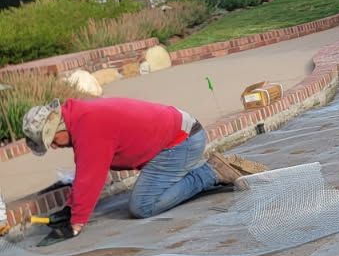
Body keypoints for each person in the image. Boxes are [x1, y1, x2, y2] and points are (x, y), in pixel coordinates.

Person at [21, 98, 262, 239]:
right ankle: (199, 171)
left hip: (182, 142)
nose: (52, 146)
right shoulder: (79, 117)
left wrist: (76, 223)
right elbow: (86, 170)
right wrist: (70, 208)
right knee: (147, 196)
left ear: (59, 127)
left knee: (142, 206)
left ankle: (210, 173)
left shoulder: (89, 129)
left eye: (51, 140)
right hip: (178, 136)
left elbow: (91, 178)